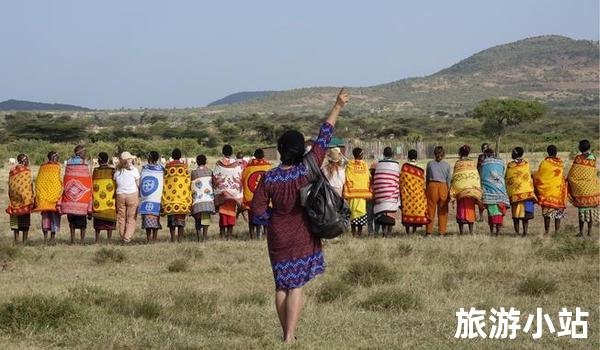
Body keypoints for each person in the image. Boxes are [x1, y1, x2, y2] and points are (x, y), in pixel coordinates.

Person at [251, 88, 348, 343]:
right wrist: (337, 105)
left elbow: (257, 211)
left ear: (281, 150)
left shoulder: (269, 177)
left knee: (281, 284)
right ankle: (290, 336)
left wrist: (273, 216)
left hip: (277, 236)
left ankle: (286, 334)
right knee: (296, 285)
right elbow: (324, 135)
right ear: (299, 149)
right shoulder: (308, 167)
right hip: (303, 232)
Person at [567, 139, 600, 237]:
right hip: (591, 188)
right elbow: (593, 172)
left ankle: (581, 232)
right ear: (589, 147)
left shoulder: (578, 158)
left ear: (580, 148)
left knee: (582, 211)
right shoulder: (593, 157)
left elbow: (573, 174)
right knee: (590, 211)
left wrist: (569, 179)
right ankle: (589, 232)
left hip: (581, 189)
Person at [533, 145, 567, 235]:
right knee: (557, 213)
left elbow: (539, 176)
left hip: (546, 192)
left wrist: (533, 177)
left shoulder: (544, 163)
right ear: (556, 153)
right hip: (558, 192)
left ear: (547, 152)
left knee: (547, 213)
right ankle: (557, 232)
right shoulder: (560, 163)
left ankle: (547, 231)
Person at [62, 145, 93, 244]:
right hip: (81, 198)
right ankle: (82, 240)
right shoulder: (84, 163)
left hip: (70, 195)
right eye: (84, 152)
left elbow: (67, 177)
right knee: (82, 221)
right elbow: (87, 179)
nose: (85, 154)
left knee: (71, 221)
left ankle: (72, 239)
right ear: (79, 153)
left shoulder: (69, 162)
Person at [450, 145, 482, 234]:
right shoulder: (472, 163)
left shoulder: (457, 163)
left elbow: (455, 177)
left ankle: (461, 232)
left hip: (461, 191)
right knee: (471, 209)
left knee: (460, 210)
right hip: (471, 190)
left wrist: (456, 187)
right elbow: (475, 176)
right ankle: (471, 231)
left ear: (460, 153)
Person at [214, 145, 243, 240]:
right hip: (233, 194)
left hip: (222, 193)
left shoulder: (218, 163)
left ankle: (222, 235)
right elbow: (239, 177)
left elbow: (215, 178)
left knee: (222, 214)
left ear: (223, 152)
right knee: (231, 213)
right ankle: (229, 236)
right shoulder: (237, 164)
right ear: (231, 153)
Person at [505, 147, 537, 236]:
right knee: (526, 216)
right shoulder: (526, 164)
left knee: (516, 216)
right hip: (528, 193)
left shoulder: (510, 165)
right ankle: (525, 232)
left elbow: (507, 178)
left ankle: (517, 233)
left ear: (514, 154)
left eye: (512, 152)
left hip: (515, 194)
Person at [162, 149, 192, 242]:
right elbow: (187, 181)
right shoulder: (184, 166)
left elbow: (165, 180)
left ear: (172, 156)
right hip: (182, 198)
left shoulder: (167, 166)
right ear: (180, 156)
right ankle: (180, 239)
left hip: (169, 197)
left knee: (171, 220)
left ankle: (173, 239)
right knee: (180, 220)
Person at [242, 149, 272, 239]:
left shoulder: (248, 168)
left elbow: (244, 179)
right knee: (266, 215)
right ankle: (265, 235)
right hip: (265, 197)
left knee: (251, 217)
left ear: (254, 156)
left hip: (251, 196)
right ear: (263, 156)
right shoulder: (268, 167)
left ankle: (252, 236)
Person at [34, 151, 63, 244]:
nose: (58, 158)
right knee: (54, 218)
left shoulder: (42, 167)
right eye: (57, 156)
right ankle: (52, 239)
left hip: (44, 197)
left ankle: (46, 238)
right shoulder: (57, 166)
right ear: (53, 157)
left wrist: (40, 194)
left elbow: (38, 181)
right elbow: (58, 180)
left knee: (45, 218)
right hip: (53, 197)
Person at [480, 148, 510, 235]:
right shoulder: (500, 162)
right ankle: (498, 231)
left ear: (485, 155)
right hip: (500, 191)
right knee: (499, 213)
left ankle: (492, 231)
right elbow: (502, 172)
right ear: (493, 154)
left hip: (489, 192)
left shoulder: (484, 163)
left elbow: (482, 176)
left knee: (491, 213)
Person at [399, 149, 430, 234]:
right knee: (416, 210)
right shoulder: (420, 168)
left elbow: (401, 180)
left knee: (407, 211)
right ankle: (414, 231)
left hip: (407, 194)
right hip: (418, 195)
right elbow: (422, 182)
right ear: (416, 157)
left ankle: (407, 232)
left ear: (408, 157)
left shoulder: (404, 167)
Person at [344, 147, 372, 237]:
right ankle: (357, 234)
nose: (363, 155)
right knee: (360, 214)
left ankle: (355, 234)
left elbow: (347, 177)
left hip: (353, 194)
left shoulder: (349, 165)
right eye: (362, 153)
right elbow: (368, 176)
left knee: (354, 214)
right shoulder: (363, 165)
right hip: (361, 194)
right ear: (359, 154)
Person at [372, 147, 400, 237]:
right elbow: (397, 178)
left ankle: (383, 231)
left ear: (383, 154)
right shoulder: (396, 165)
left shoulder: (379, 164)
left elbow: (376, 178)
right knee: (390, 211)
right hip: (391, 193)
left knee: (382, 213)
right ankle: (389, 232)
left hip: (381, 192)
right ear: (392, 154)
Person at [6, 154, 34, 244]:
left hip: (13, 201)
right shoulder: (26, 171)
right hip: (24, 201)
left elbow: (11, 185)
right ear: (24, 161)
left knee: (15, 224)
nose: (28, 162)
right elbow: (28, 186)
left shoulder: (12, 171)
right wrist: (30, 198)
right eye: (27, 160)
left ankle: (16, 241)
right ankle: (24, 242)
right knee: (25, 223)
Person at [114, 151, 140, 243]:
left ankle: (122, 235)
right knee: (131, 217)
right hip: (132, 194)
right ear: (129, 160)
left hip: (120, 195)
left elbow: (116, 184)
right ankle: (127, 237)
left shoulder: (117, 171)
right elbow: (138, 184)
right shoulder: (134, 170)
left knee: (121, 217)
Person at [426, 146, 451, 236]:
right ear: (443, 154)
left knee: (430, 209)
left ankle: (429, 231)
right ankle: (442, 231)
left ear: (434, 154)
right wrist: (449, 191)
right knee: (443, 210)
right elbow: (448, 180)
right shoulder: (447, 165)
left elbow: (427, 178)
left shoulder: (430, 164)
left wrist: (426, 189)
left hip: (432, 186)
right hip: (443, 186)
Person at [92, 152, 117, 243]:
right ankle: (109, 239)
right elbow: (115, 183)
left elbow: (93, 183)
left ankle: (97, 239)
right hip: (110, 199)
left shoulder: (96, 170)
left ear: (100, 160)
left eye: (98, 159)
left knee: (98, 221)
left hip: (98, 199)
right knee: (109, 220)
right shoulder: (112, 170)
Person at [139, 151, 164, 242]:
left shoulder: (144, 168)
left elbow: (141, 180)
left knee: (147, 218)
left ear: (149, 158)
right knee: (155, 218)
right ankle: (154, 238)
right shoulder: (161, 168)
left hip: (147, 197)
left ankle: (148, 238)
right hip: (156, 197)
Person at [191, 154, 215, 241]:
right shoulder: (210, 171)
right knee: (205, 219)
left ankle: (199, 238)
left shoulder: (193, 173)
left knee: (197, 219)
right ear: (205, 162)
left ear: (197, 162)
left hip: (197, 202)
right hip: (208, 201)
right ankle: (204, 238)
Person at [476, 143, 490, 222]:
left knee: (489, 197)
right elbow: (478, 167)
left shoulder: (492, 156)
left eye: (485, 148)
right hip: (481, 178)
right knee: (481, 198)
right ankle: (481, 216)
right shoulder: (480, 157)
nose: (484, 149)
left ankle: (489, 215)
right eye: (483, 148)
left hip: (489, 179)